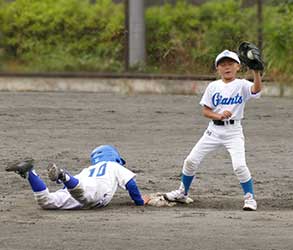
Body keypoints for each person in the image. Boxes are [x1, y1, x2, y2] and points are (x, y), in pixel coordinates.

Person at [164, 49, 262, 211]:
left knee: (239, 166)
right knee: (190, 161)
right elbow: (206, 111)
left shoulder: (242, 84)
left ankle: (250, 198)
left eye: (230, 63)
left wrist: (257, 72)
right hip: (213, 132)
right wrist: (219, 116)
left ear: (238, 66)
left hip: (234, 132)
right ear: (217, 69)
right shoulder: (213, 86)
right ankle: (182, 192)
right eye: (222, 64)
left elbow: (256, 90)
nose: (226, 67)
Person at [5, 145, 149, 209]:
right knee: (84, 193)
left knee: (46, 201)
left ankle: (30, 172)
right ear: (115, 158)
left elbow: (74, 184)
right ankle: (63, 175)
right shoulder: (114, 166)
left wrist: (65, 186)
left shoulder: (89, 169)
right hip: (92, 193)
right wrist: (139, 201)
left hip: (77, 189)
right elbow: (131, 184)